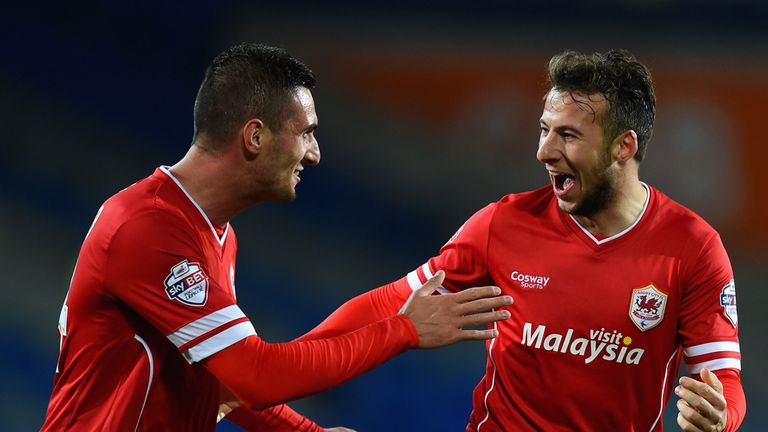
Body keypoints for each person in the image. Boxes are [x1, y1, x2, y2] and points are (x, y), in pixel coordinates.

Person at [41, 43, 514, 431]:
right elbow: (258, 374)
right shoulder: (148, 228)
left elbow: (223, 380)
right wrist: (406, 330)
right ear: (255, 136)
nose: (315, 154)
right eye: (306, 133)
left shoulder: (215, 234)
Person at [292, 49, 747, 431]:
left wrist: (720, 415)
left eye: (567, 135)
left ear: (623, 147)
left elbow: (724, 380)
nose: (544, 151)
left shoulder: (692, 247)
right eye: (544, 129)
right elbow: (390, 303)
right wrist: (288, 365)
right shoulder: (503, 224)